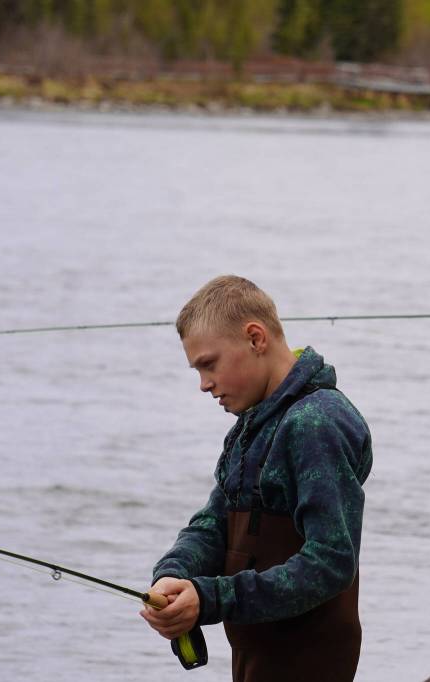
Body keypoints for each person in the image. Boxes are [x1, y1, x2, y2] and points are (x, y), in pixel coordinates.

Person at [141, 275, 373, 681]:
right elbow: (214, 522)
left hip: (307, 661)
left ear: (255, 338)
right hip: (257, 655)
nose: (203, 384)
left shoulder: (317, 422)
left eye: (209, 364)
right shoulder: (252, 423)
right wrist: (174, 576)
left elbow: (332, 561)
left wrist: (211, 598)